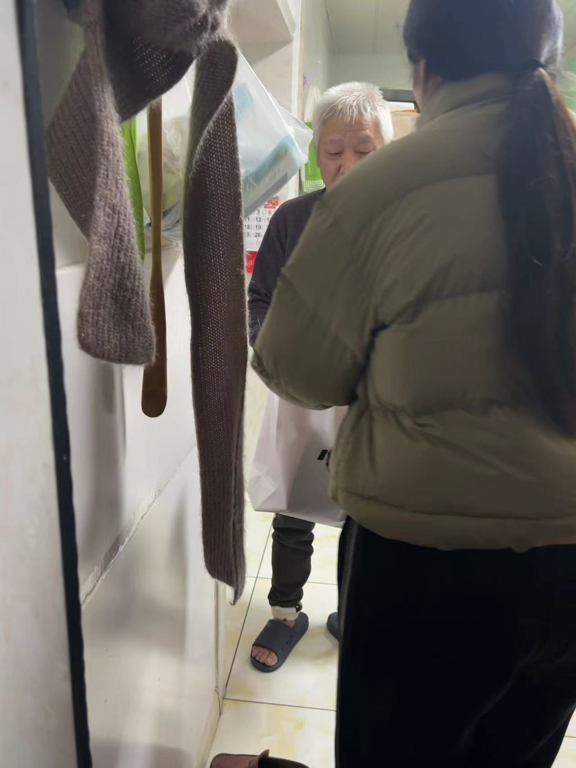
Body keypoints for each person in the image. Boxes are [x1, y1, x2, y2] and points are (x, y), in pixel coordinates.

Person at [252, 0, 576, 765]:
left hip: (426, 561)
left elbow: (295, 367)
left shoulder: (378, 192)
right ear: (548, 60)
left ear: (421, 70)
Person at [248, 83, 394, 672]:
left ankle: (351, 615)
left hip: (376, 401)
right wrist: (279, 358)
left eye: (363, 149)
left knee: (366, 516)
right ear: (316, 154)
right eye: (333, 151)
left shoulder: (408, 220)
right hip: (303, 392)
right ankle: (286, 613)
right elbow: (260, 301)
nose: (347, 164)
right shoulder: (293, 219)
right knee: (296, 505)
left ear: (387, 148)